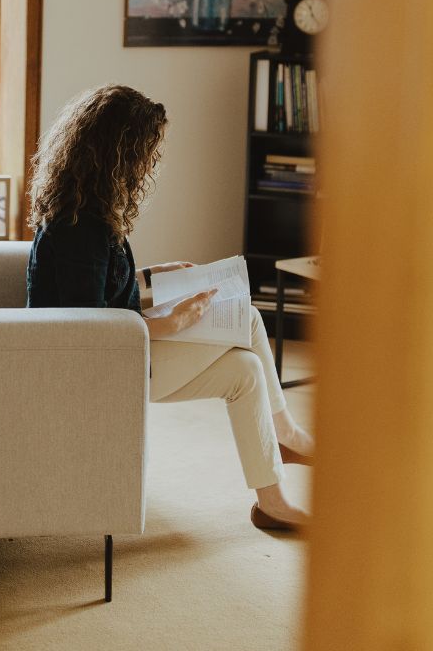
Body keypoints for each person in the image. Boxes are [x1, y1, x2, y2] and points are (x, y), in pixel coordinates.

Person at [26, 84, 313, 531]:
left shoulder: (84, 209)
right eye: (146, 152)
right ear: (117, 154)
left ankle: (272, 500)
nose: (149, 164)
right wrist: (166, 320)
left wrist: (152, 277)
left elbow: (99, 290)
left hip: (118, 355)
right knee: (250, 320)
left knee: (245, 370)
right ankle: (287, 438)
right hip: (101, 369)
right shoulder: (81, 227)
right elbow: (88, 327)